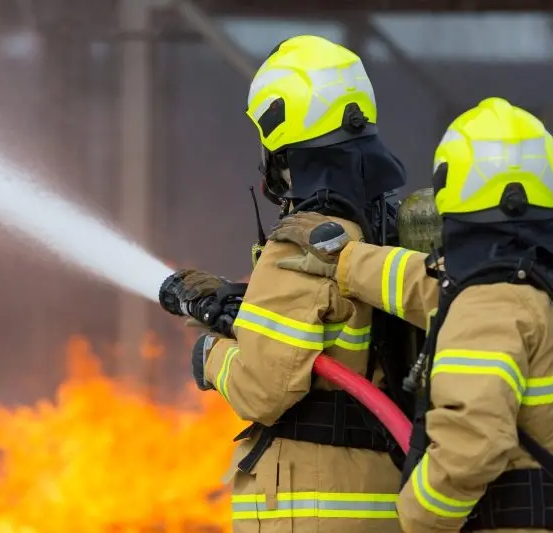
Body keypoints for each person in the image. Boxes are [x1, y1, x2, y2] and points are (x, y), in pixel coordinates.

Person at [159, 35, 415, 533]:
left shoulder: (301, 244)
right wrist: (242, 307)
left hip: (312, 507)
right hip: (379, 497)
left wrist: (210, 355)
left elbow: (261, 391)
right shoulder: (385, 235)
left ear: (281, 147)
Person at [274, 97, 553, 532]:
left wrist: (418, 515)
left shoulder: (491, 304)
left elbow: (471, 446)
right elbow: (434, 286)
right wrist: (346, 260)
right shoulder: (528, 283)